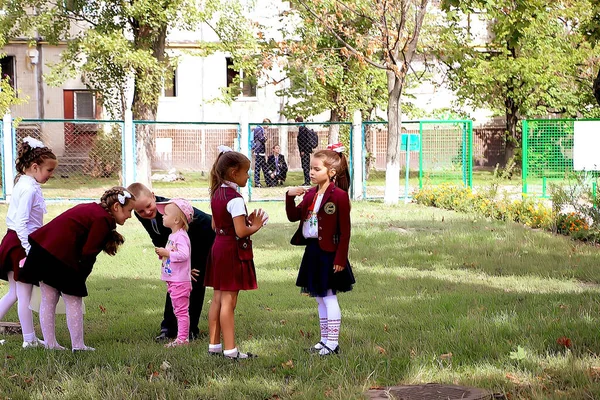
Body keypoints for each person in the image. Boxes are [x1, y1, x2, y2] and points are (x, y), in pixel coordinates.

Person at [19, 187, 136, 351]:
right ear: (116, 207)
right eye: (129, 210)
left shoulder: (93, 210)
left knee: (48, 298)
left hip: (43, 251)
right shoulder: (103, 220)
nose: (130, 215)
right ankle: (78, 346)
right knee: (74, 300)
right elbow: (89, 252)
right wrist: (80, 278)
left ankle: (51, 345)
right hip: (60, 257)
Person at [285, 143, 355, 356]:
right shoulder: (309, 194)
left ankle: (332, 343)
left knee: (329, 296)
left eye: (317, 169)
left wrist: (340, 258)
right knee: (318, 297)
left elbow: (345, 232)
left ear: (331, 172)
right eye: (311, 168)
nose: (312, 172)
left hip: (330, 253)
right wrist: (289, 196)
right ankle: (324, 340)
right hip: (313, 250)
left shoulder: (339, 196)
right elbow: (294, 216)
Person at [127, 183, 215, 342]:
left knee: (192, 281)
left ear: (153, 196)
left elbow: (188, 233)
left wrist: (188, 265)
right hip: (179, 244)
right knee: (174, 282)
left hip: (202, 236)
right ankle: (167, 328)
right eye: (140, 210)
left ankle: (189, 330)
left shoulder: (171, 209)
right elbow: (156, 235)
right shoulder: (142, 214)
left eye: (148, 206)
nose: (146, 212)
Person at [205, 145, 267, 359]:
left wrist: (241, 222)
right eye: (246, 171)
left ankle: (214, 346)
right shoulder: (235, 198)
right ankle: (231, 351)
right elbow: (241, 232)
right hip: (231, 251)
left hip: (218, 248)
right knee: (229, 302)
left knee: (217, 298)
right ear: (233, 173)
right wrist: (256, 225)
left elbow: (216, 224)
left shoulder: (217, 193)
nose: (248, 176)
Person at [0, 137, 57, 348]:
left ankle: (30, 338)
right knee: (24, 295)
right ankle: (29, 339)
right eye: (49, 170)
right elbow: (22, 222)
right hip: (20, 244)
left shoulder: (24, 183)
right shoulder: (29, 188)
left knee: (14, 293)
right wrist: (28, 249)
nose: (51, 175)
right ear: (35, 166)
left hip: (13, 240)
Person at [155, 198, 194, 348]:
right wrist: (163, 254)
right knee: (178, 310)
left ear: (176, 219)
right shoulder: (173, 236)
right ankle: (181, 338)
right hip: (173, 279)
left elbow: (184, 255)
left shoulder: (181, 236)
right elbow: (174, 253)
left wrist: (168, 253)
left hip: (180, 281)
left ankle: (182, 339)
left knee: (181, 311)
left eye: (166, 214)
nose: (163, 216)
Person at [295, 116, 317, 186]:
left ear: (298, 122)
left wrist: (302, 150)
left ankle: (307, 181)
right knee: (306, 165)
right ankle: (307, 180)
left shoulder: (302, 129)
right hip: (307, 150)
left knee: (305, 166)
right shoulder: (305, 128)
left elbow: (302, 141)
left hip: (304, 151)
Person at [252, 118, 270, 188]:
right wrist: (265, 138)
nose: (268, 127)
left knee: (264, 167)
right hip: (259, 151)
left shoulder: (259, 129)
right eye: (268, 125)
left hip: (260, 151)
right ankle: (257, 182)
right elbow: (261, 139)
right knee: (258, 168)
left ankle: (268, 182)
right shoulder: (259, 129)